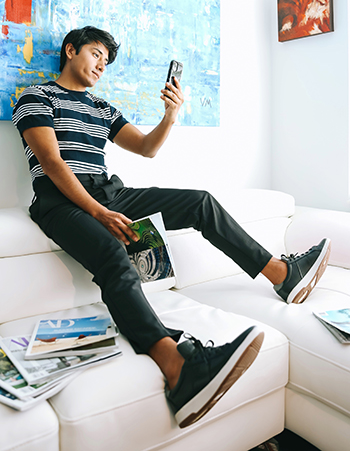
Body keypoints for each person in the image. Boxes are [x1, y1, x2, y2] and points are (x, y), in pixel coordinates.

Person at [12, 26, 331, 428]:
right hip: (61, 201)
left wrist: (170, 115)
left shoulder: (102, 107)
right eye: (95, 54)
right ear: (71, 51)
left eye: (106, 62)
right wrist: (98, 213)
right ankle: (178, 367)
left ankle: (281, 274)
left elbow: (147, 148)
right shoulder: (35, 96)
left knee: (199, 200)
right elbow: (52, 162)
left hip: (110, 192)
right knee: (113, 254)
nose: (101, 66)